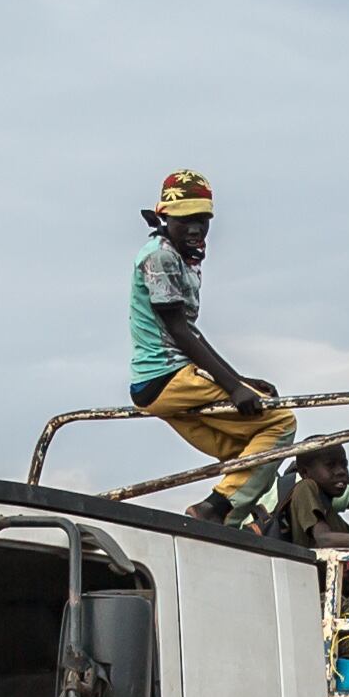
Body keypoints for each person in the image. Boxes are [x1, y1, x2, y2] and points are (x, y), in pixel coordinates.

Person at [127, 170, 291, 492]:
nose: (195, 228)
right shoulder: (159, 256)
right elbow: (180, 332)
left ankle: (241, 526)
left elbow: (190, 330)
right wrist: (233, 388)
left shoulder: (182, 257)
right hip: (168, 376)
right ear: (165, 217)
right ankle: (215, 507)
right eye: (185, 219)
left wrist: (240, 380)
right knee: (281, 422)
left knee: (249, 452)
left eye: (202, 220)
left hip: (165, 378)